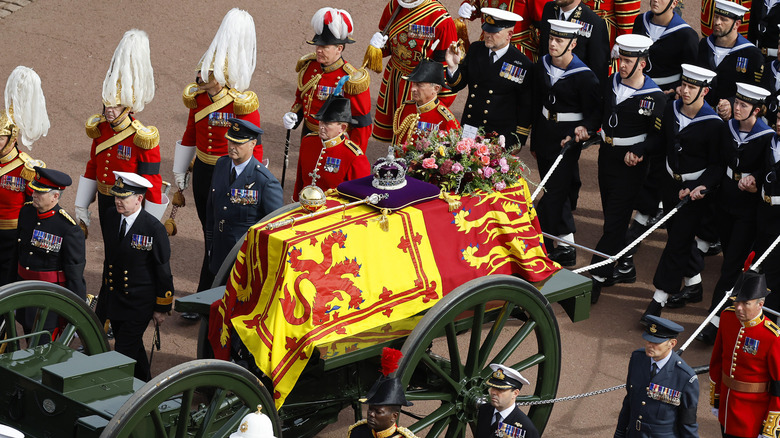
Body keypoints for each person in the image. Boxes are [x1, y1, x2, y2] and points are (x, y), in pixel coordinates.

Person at [172, 8, 262, 294]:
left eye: (208, 71)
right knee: (208, 229)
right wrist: (179, 169)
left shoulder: (240, 103)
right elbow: (190, 134)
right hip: (202, 170)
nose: (201, 75)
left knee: (221, 231)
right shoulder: (198, 100)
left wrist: (249, 181)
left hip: (229, 172)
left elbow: (254, 146)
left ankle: (210, 289)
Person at [642, 64, 728, 321]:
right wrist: (641, 149)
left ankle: (658, 298)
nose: (685, 90)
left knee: (677, 242)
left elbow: (717, 165)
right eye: (684, 84)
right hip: (670, 184)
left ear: (705, 91)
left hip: (694, 193)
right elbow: (662, 141)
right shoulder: (671, 109)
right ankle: (694, 285)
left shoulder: (713, 124)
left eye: (692, 87)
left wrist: (700, 186)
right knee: (677, 235)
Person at [623, 0, 699, 276]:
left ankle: (645, 214)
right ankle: (644, 206)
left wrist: (675, 93)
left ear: (675, 2)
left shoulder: (686, 35)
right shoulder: (640, 22)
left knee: (658, 158)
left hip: (666, 104)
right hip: (637, 100)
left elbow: (692, 77)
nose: (654, 0)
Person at [588, 35, 666, 304]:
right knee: (611, 216)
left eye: (629, 61)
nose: (622, 65)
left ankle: (595, 278)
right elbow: (598, 113)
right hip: (606, 156)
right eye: (621, 59)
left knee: (616, 220)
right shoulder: (611, 82)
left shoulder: (655, 97)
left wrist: (641, 151)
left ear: (643, 64)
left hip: (631, 165)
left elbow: (659, 137)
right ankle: (625, 264)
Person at [693, 84, 772, 342]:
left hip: (748, 210)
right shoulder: (727, 128)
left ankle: (715, 320)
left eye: (743, 105)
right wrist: (705, 184)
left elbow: (769, 171)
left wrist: (756, 180)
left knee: (730, 265)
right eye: (736, 103)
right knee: (730, 257)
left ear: (756, 111)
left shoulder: (766, 137)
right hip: (725, 200)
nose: (736, 108)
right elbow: (718, 162)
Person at [74, 29, 165, 236]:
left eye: (115, 106)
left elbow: (151, 178)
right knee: (110, 250)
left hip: (130, 202)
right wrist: (82, 203)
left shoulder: (142, 137)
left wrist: (150, 219)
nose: (109, 110)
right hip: (106, 198)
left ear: (128, 107)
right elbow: (93, 165)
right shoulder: (101, 129)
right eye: (107, 105)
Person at [531, 19, 601, 267]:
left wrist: (585, 129)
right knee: (551, 187)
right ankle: (567, 246)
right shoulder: (542, 65)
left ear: (572, 44)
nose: (552, 44)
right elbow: (537, 99)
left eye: (559, 40)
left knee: (551, 195)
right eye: (551, 38)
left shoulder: (584, 76)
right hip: (544, 135)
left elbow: (595, 112)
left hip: (566, 140)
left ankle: (541, 248)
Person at [95, 171, 174, 382]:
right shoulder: (111, 216)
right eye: (116, 196)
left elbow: (162, 270)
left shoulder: (153, 229)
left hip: (138, 303)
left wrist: (162, 307)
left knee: (122, 351)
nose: (118, 201)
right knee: (131, 346)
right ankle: (145, 384)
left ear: (139, 199)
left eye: (123, 197)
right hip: (114, 297)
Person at [283, 7, 372, 153]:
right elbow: (302, 98)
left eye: (325, 47)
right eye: (318, 45)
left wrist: (354, 154)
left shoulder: (351, 79)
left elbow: (362, 123)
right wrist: (294, 116)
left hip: (334, 143)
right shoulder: (310, 66)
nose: (318, 50)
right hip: (309, 135)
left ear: (339, 48)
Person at [368, 0, 458, 142]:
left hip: (420, 82)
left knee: (416, 136)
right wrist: (378, 46)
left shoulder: (440, 18)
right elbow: (390, 44)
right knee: (397, 130)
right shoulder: (393, 6)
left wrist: (440, 99)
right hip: (395, 77)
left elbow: (444, 63)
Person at [445, 8, 534, 149]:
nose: (487, 35)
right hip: (470, 129)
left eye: (494, 32)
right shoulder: (476, 49)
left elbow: (526, 105)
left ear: (509, 34)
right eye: (487, 30)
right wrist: (452, 67)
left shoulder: (522, 63)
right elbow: (458, 84)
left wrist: (519, 139)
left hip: (499, 135)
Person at [207, 119, 283, 278]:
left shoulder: (265, 181)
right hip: (219, 251)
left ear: (252, 144)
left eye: (238, 143)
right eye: (230, 141)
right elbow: (211, 210)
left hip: (244, 258)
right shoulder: (221, 164)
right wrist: (210, 244)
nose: (232, 147)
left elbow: (275, 228)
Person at [709, 271, 780, 438]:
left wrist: (770, 428)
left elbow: (778, 386)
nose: (739, 308)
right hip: (727, 406)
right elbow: (717, 361)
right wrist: (717, 398)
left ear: (760, 304)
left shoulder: (772, 337)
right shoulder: (727, 317)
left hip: (753, 415)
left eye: (746, 303)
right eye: (737, 302)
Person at [16, 167, 86, 334]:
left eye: (40, 193)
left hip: (48, 300)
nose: (33, 194)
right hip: (23, 291)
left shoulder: (68, 228)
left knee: (44, 350)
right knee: (27, 335)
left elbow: (74, 274)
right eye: (34, 190)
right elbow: (17, 253)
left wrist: (78, 315)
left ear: (55, 196)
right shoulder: (26, 212)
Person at [0, 66, 48, 287]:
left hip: (10, 235)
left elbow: (34, 206)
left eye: (0, 138)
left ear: (11, 139)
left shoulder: (26, 167)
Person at [614, 315, 699, 437]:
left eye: (656, 342)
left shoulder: (685, 377)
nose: (650, 345)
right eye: (648, 340)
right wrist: (619, 433)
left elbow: (688, 422)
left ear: (672, 343)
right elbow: (629, 401)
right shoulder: (637, 358)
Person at [293, 96, 370, 201]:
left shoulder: (354, 156)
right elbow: (300, 181)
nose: (321, 127)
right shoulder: (308, 142)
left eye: (327, 123)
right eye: (321, 122)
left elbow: (360, 198)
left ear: (342, 128)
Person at [697, 0, 765, 114]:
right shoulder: (704, 45)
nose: (717, 22)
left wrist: (732, 103)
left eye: (724, 19)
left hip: (733, 120)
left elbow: (755, 91)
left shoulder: (751, 54)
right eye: (716, 17)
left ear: (737, 24)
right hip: (700, 112)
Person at [537, 0, 611, 82]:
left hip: (575, 87)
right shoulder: (549, 8)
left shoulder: (594, 22)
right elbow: (543, 47)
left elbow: (598, 70)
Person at [391, 59, 461, 146]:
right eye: (413, 84)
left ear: (435, 89)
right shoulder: (405, 109)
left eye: (419, 85)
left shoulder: (446, 120)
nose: (413, 89)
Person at [456, 0, 545, 61]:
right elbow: (477, 4)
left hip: (518, 50)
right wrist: (468, 6)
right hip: (487, 44)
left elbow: (543, 22)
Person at [477, 364, 539, 438]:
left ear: (515, 393)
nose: (493, 392)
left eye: (500, 389)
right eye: (493, 387)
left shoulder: (526, 427)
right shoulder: (484, 410)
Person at [348, 376, 417, 438]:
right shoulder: (357, 432)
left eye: (378, 412)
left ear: (394, 416)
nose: (371, 414)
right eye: (370, 409)